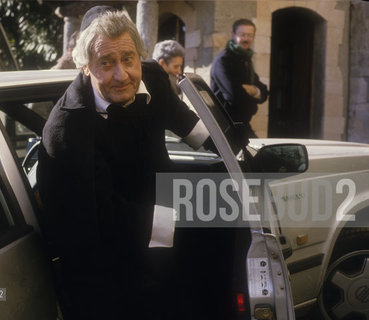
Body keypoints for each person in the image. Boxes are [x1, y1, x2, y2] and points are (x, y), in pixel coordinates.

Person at [37, 6, 210, 320]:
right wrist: (181, 217)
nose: (122, 74)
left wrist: (236, 151)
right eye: (106, 63)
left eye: (128, 59)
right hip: (107, 269)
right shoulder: (65, 132)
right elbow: (100, 220)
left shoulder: (154, 78)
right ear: (86, 66)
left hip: (161, 239)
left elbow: (191, 126)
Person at [210, 18, 268, 137]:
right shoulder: (224, 60)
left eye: (250, 35)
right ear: (233, 35)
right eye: (242, 35)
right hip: (225, 127)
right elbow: (234, 97)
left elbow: (264, 92)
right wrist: (253, 104)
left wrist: (253, 90)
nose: (246, 39)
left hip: (241, 124)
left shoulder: (245, 59)